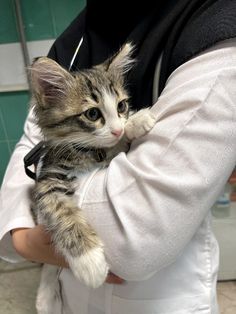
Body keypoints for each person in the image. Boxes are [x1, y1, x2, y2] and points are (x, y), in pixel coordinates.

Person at [1, 0, 236, 313]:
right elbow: (32, 147)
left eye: (122, 108)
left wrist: (38, 235)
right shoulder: (76, 37)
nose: (115, 128)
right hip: (68, 293)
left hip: (160, 296)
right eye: (94, 113)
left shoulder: (212, 18)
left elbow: (136, 236)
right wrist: (24, 241)